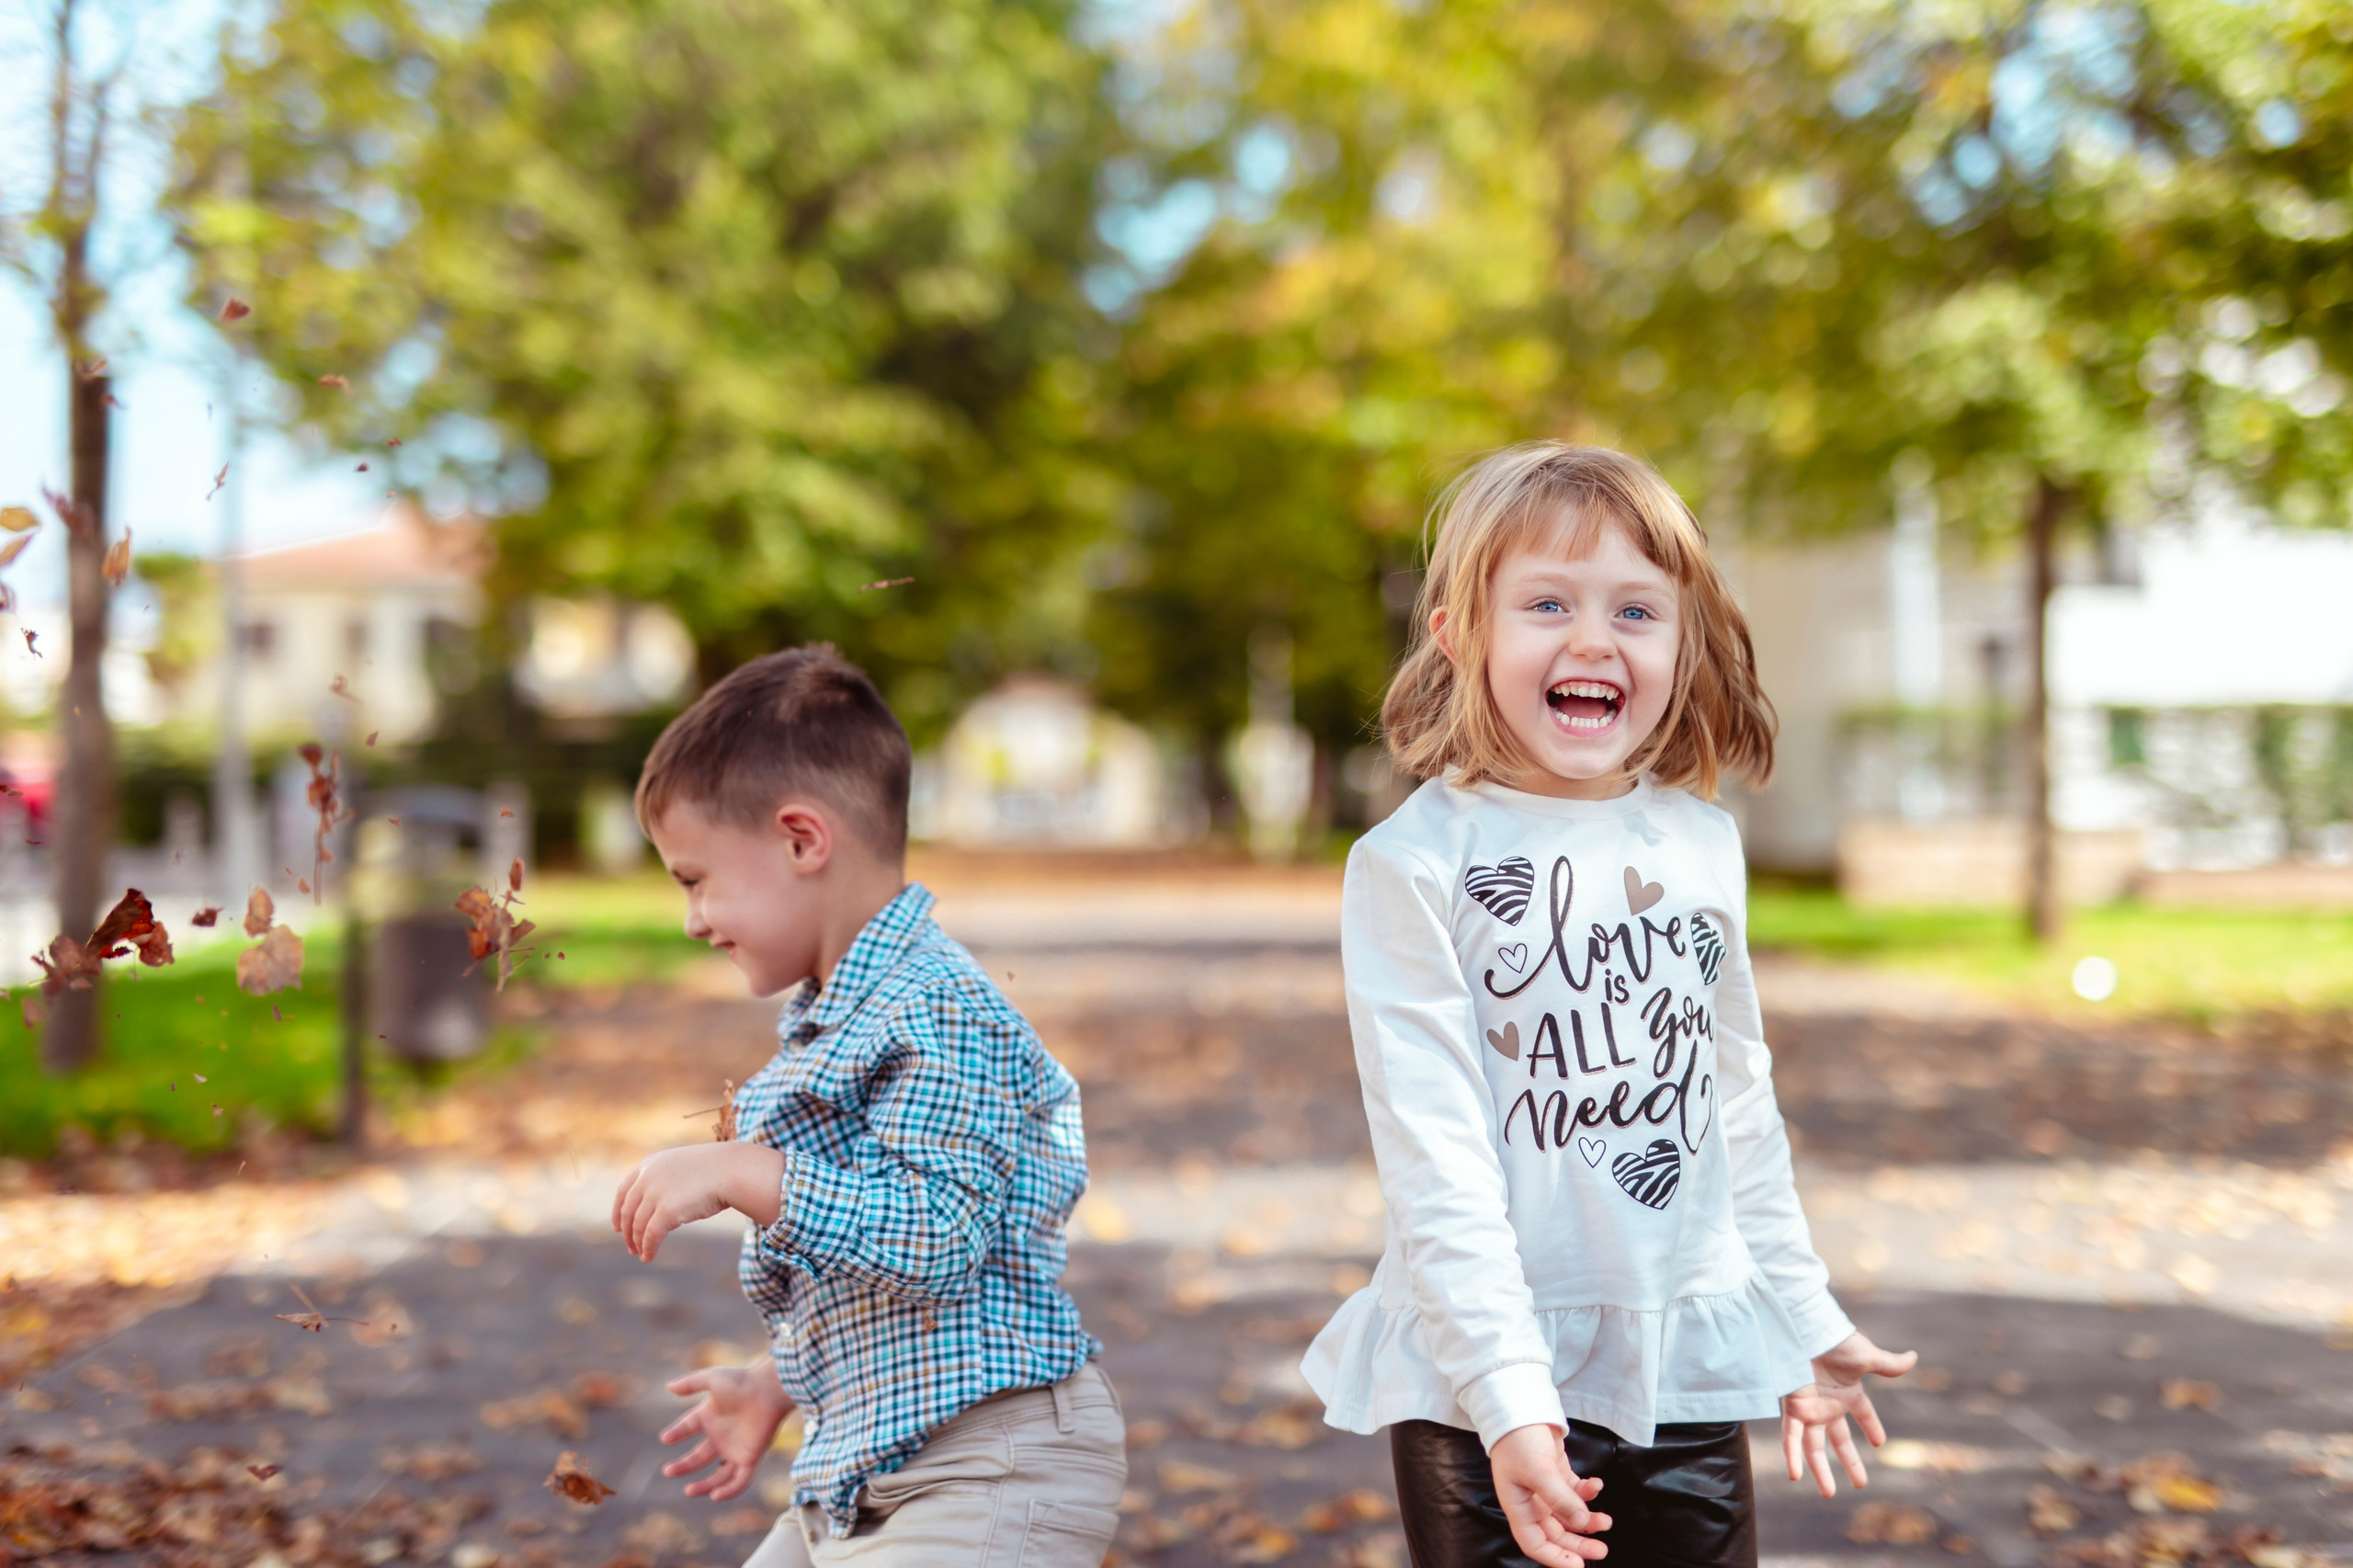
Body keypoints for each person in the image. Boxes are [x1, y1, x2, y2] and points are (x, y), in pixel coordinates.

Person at [1302, 443, 1916, 1568]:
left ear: (1681, 646)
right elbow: (1436, 1154)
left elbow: (1734, 1106)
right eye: (1547, 603)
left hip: (1683, 1365)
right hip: (1483, 1394)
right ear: (1459, 634)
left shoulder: (1700, 842)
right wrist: (1508, 1397)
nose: (1593, 638)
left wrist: (1801, 1312)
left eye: (1635, 610)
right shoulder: (1415, 862)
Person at [608, 646, 1124, 1568]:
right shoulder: (838, 1018)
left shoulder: (936, 1006)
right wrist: (776, 1381)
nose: (691, 918)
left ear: (802, 840)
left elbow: (938, 1237)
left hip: (988, 1466)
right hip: (868, 1466)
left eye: (694, 879)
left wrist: (745, 1170)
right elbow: (886, 1282)